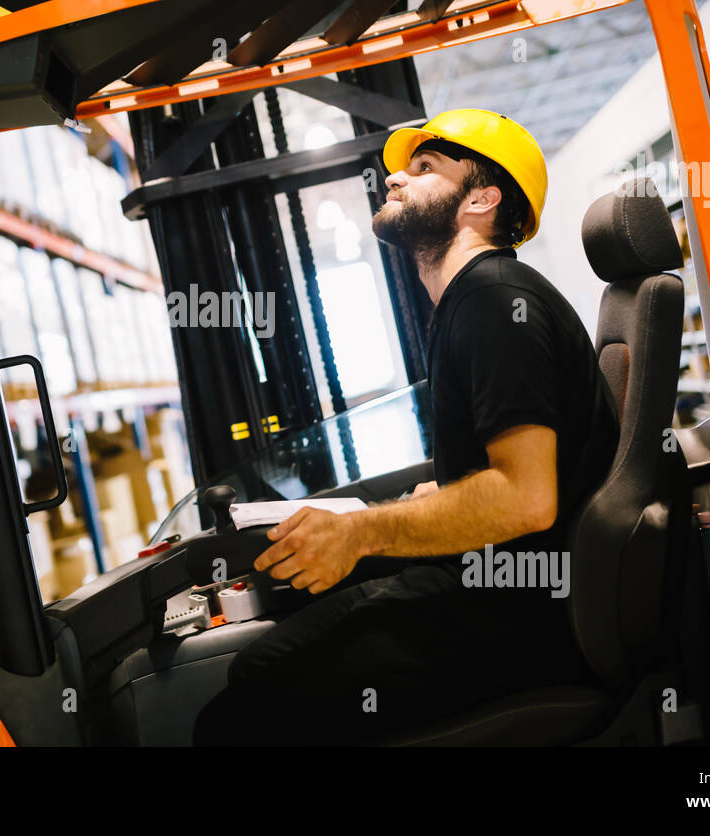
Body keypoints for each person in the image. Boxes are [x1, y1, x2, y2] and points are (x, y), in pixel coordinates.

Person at [192, 109, 621, 745]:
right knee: (263, 660)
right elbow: (502, 477)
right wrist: (435, 498)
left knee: (239, 715)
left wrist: (362, 532)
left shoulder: (494, 302)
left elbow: (527, 499)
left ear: (480, 199)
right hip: (504, 590)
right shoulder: (474, 302)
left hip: (519, 618)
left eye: (424, 168)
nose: (394, 178)